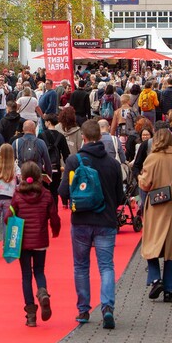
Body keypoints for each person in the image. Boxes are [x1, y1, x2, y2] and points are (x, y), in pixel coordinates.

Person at [59, 119, 125, 328]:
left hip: (81, 220)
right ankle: (107, 307)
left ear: (84, 138)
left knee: (81, 266)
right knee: (106, 266)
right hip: (106, 221)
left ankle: (84, 309)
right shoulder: (113, 164)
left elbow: (63, 191)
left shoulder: (73, 161)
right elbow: (120, 197)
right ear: (100, 137)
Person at [138, 128, 172, 303]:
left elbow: (145, 184)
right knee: (171, 250)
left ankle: (155, 279)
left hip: (156, 208)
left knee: (151, 244)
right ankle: (169, 290)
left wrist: (138, 177)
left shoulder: (152, 159)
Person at [10, 162, 60, 327]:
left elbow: (8, 216)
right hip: (40, 238)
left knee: (25, 275)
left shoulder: (17, 195)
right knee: (39, 271)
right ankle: (43, 292)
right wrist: (55, 229)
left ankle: (31, 315)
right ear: (39, 176)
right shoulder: (46, 194)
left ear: (22, 177)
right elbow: (53, 215)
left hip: (22, 241)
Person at [40, 114, 70, 203]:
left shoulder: (41, 135)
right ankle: (54, 212)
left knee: (43, 191)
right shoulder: (61, 136)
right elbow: (66, 154)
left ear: (48, 122)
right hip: (56, 167)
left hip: (44, 167)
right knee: (54, 191)